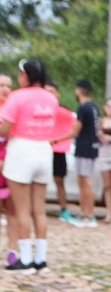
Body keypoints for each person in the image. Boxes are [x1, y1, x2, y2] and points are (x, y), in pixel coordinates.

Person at [0, 59, 59, 272]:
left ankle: (25, 260)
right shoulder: (50, 98)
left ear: (26, 76)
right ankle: (41, 260)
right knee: (39, 210)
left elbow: (5, 128)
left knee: (22, 209)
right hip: (43, 150)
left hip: (22, 150)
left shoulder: (17, 97)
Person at [52, 79, 99, 227]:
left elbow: (75, 131)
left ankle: (89, 215)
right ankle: (85, 213)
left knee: (85, 182)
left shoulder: (83, 108)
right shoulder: (94, 107)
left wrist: (56, 139)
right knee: (83, 181)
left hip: (84, 148)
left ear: (78, 91)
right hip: (91, 146)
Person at [45, 82, 78, 223]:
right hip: (41, 150)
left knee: (59, 181)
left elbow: (77, 127)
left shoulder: (66, 113)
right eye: (46, 92)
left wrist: (58, 140)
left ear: (58, 94)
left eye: (52, 91)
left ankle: (63, 209)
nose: (49, 95)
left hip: (58, 150)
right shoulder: (37, 110)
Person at [0, 71, 20, 266]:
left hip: (12, 166)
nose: (5, 90)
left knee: (12, 211)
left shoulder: (15, 113)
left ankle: (12, 250)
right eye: (1, 86)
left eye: (9, 86)